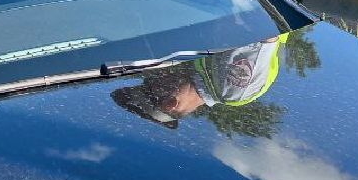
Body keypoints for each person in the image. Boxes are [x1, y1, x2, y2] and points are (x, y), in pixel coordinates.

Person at [111, 36, 286, 129]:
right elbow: (266, 32)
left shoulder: (196, 72)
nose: (153, 77)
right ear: (170, 103)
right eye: (149, 85)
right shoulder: (231, 88)